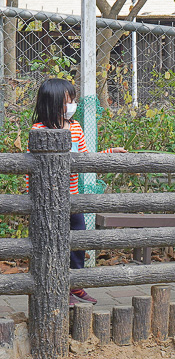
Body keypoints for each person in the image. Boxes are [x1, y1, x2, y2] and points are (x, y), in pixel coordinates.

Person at [29, 78, 127, 306]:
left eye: (72, 100)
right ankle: (57, 288)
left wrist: (110, 152)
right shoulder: (38, 130)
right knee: (51, 244)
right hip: (47, 201)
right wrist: (30, 199)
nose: (72, 105)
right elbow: (30, 172)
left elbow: (85, 158)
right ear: (51, 104)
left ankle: (76, 284)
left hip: (72, 198)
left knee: (78, 240)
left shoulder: (75, 127)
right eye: (66, 101)